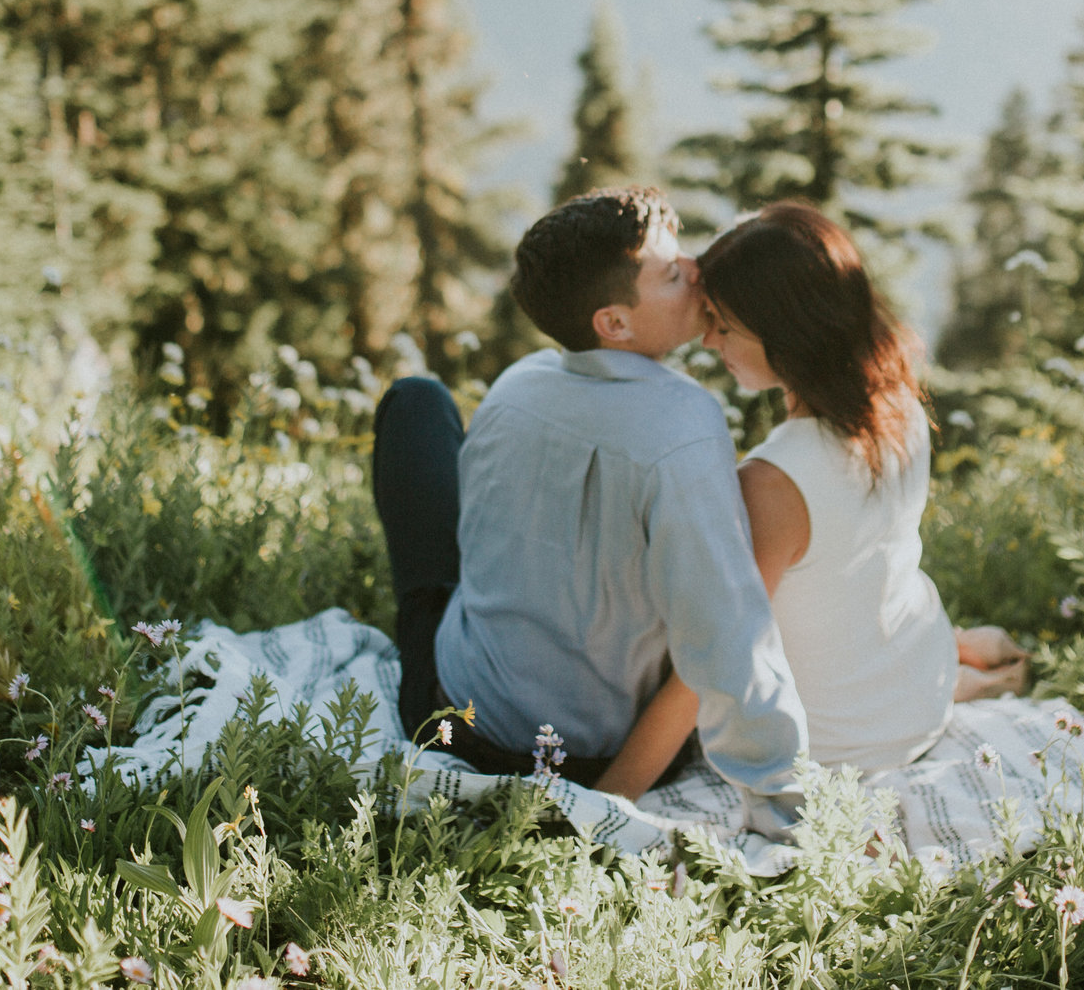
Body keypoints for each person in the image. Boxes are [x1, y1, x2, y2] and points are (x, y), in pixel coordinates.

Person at [370, 186, 808, 834]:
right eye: (670, 272)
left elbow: (481, 535)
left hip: (454, 719)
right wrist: (786, 797)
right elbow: (726, 627)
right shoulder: (687, 425)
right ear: (615, 323)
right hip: (592, 755)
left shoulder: (516, 385)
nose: (697, 268)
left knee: (414, 403)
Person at [594, 200, 1025, 797]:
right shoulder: (896, 401)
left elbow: (713, 666)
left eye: (724, 324)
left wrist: (602, 802)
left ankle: (971, 667)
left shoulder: (774, 482)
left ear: (784, 334)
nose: (709, 339)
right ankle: (968, 666)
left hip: (837, 743)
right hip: (915, 693)